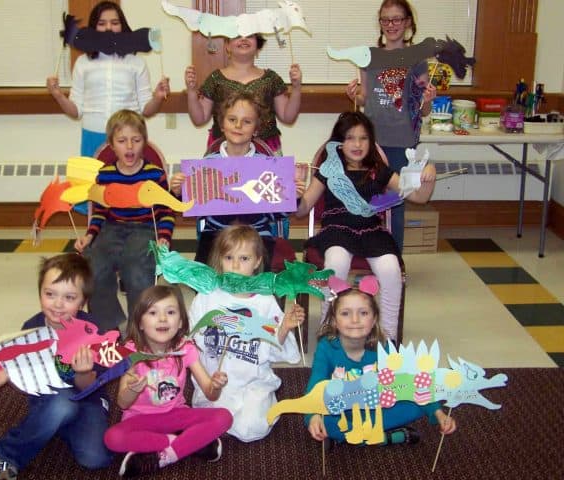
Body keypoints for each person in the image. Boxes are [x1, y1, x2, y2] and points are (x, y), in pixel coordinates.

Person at [295, 111, 435, 341]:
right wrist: (295, 193)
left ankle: (388, 338)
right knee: (335, 264)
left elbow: (418, 197)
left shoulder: (379, 171)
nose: (357, 144)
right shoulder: (329, 172)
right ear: (338, 143)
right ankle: (329, 333)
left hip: (372, 232)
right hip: (336, 231)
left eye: (363, 138)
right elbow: (303, 209)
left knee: (391, 269)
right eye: (350, 138)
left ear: (371, 142)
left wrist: (429, 175)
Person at [0, 253, 113, 480]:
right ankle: (8, 454)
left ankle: (52, 426)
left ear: (83, 301)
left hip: (89, 400)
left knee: (95, 458)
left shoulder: (94, 331)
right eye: (50, 294)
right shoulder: (32, 328)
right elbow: (22, 369)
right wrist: (3, 376)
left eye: (69, 297)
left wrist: (83, 372)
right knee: (62, 405)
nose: (58, 304)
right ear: (40, 293)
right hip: (51, 398)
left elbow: (89, 386)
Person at [188, 225, 306, 442]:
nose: (235, 265)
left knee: (253, 429)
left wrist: (285, 327)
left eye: (244, 259)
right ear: (219, 259)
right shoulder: (207, 297)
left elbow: (273, 348)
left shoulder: (265, 300)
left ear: (257, 261)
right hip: (217, 379)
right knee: (217, 417)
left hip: (253, 381)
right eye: (228, 257)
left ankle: (259, 404)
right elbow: (195, 343)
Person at [306, 278, 457, 447]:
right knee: (328, 422)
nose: (355, 320)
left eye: (363, 313)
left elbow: (412, 383)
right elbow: (316, 383)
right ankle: (386, 438)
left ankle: (354, 437)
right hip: (342, 411)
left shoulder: (384, 347)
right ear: (334, 320)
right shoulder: (326, 347)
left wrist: (438, 413)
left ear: (374, 319)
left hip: (377, 409)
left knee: (416, 405)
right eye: (345, 313)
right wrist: (313, 416)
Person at [103, 285, 233, 478]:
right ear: (140, 323)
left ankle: (164, 455)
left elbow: (209, 393)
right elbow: (123, 403)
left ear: (180, 322)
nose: (163, 318)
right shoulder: (131, 351)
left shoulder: (186, 348)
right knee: (112, 438)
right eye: (153, 312)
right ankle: (187, 443)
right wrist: (132, 389)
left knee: (225, 417)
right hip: (139, 420)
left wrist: (215, 386)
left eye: (170, 312)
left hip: (177, 415)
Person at [170, 91, 305, 269]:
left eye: (247, 121)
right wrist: (179, 192)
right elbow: (192, 206)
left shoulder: (268, 166)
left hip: (257, 235)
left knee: (259, 285)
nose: (238, 125)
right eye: (232, 120)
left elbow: (279, 214)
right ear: (222, 124)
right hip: (215, 234)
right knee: (203, 284)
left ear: (256, 128)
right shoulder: (207, 165)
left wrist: (293, 196)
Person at [345, 0, 436, 252]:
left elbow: (422, 109)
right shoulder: (369, 57)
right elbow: (365, 98)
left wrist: (428, 101)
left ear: (407, 22)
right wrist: (354, 95)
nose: (391, 25)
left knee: (396, 202)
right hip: (370, 141)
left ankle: (394, 258)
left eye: (397, 19)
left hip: (402, 141)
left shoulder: (417, 59)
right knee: (367, 198)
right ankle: (368, 253)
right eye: (385, 20)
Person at [74, 109, 175, 333]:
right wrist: (90, 235)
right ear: (111, 144)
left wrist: (164, 237)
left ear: (144, 143)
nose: (129, 147)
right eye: (122, 141)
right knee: (94, 265)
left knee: (137, 267)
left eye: (136, 140)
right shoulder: (105, 175)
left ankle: (138, 327)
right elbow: (99, 211)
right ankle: (107, 325)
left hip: (146, 228)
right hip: (112, 228)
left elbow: (165, 210)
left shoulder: (154, 174)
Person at [47, 1, 170, 157]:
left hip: (129, 138)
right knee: (93, 181)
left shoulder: (136, 62)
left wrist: (158, 98)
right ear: (94, 27)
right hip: (93, 134)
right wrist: (57, 94)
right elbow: (76, 111)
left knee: (129, 181)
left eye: (115, 23)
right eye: (102, 23)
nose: (109, 28)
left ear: (123, 26)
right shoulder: (83, 63)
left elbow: (146, 109)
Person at [185, 34, 302, 154]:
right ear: (227, 45)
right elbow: (199, 119)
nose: (244, 39)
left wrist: (296, 87)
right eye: (237, 36)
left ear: (258, 44)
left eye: (250, 35)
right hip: (224, 151)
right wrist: (191, 91)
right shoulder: (215, 79)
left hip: (266, 151)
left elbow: (288, 117)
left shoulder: (271, 79)